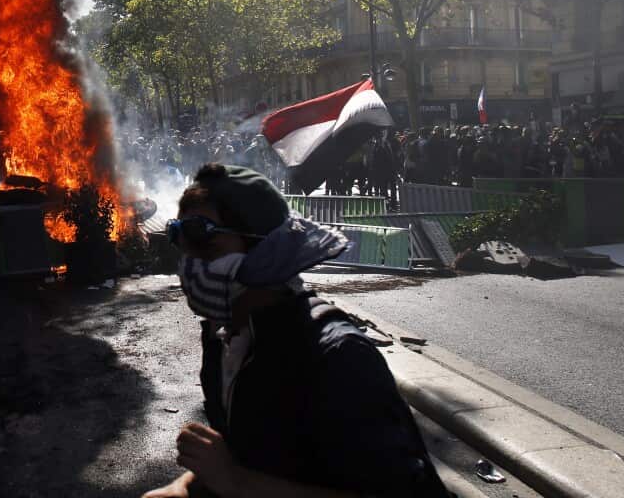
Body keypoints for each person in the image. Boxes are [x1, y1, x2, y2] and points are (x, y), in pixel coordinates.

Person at [144, 164, 448, 498]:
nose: (190, 264)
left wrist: (236, 482)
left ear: (265, 249)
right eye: (183, 243)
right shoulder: (225, 339)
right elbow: (235, 460)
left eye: (208, 245)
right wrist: (183, 487)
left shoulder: (337, 358)